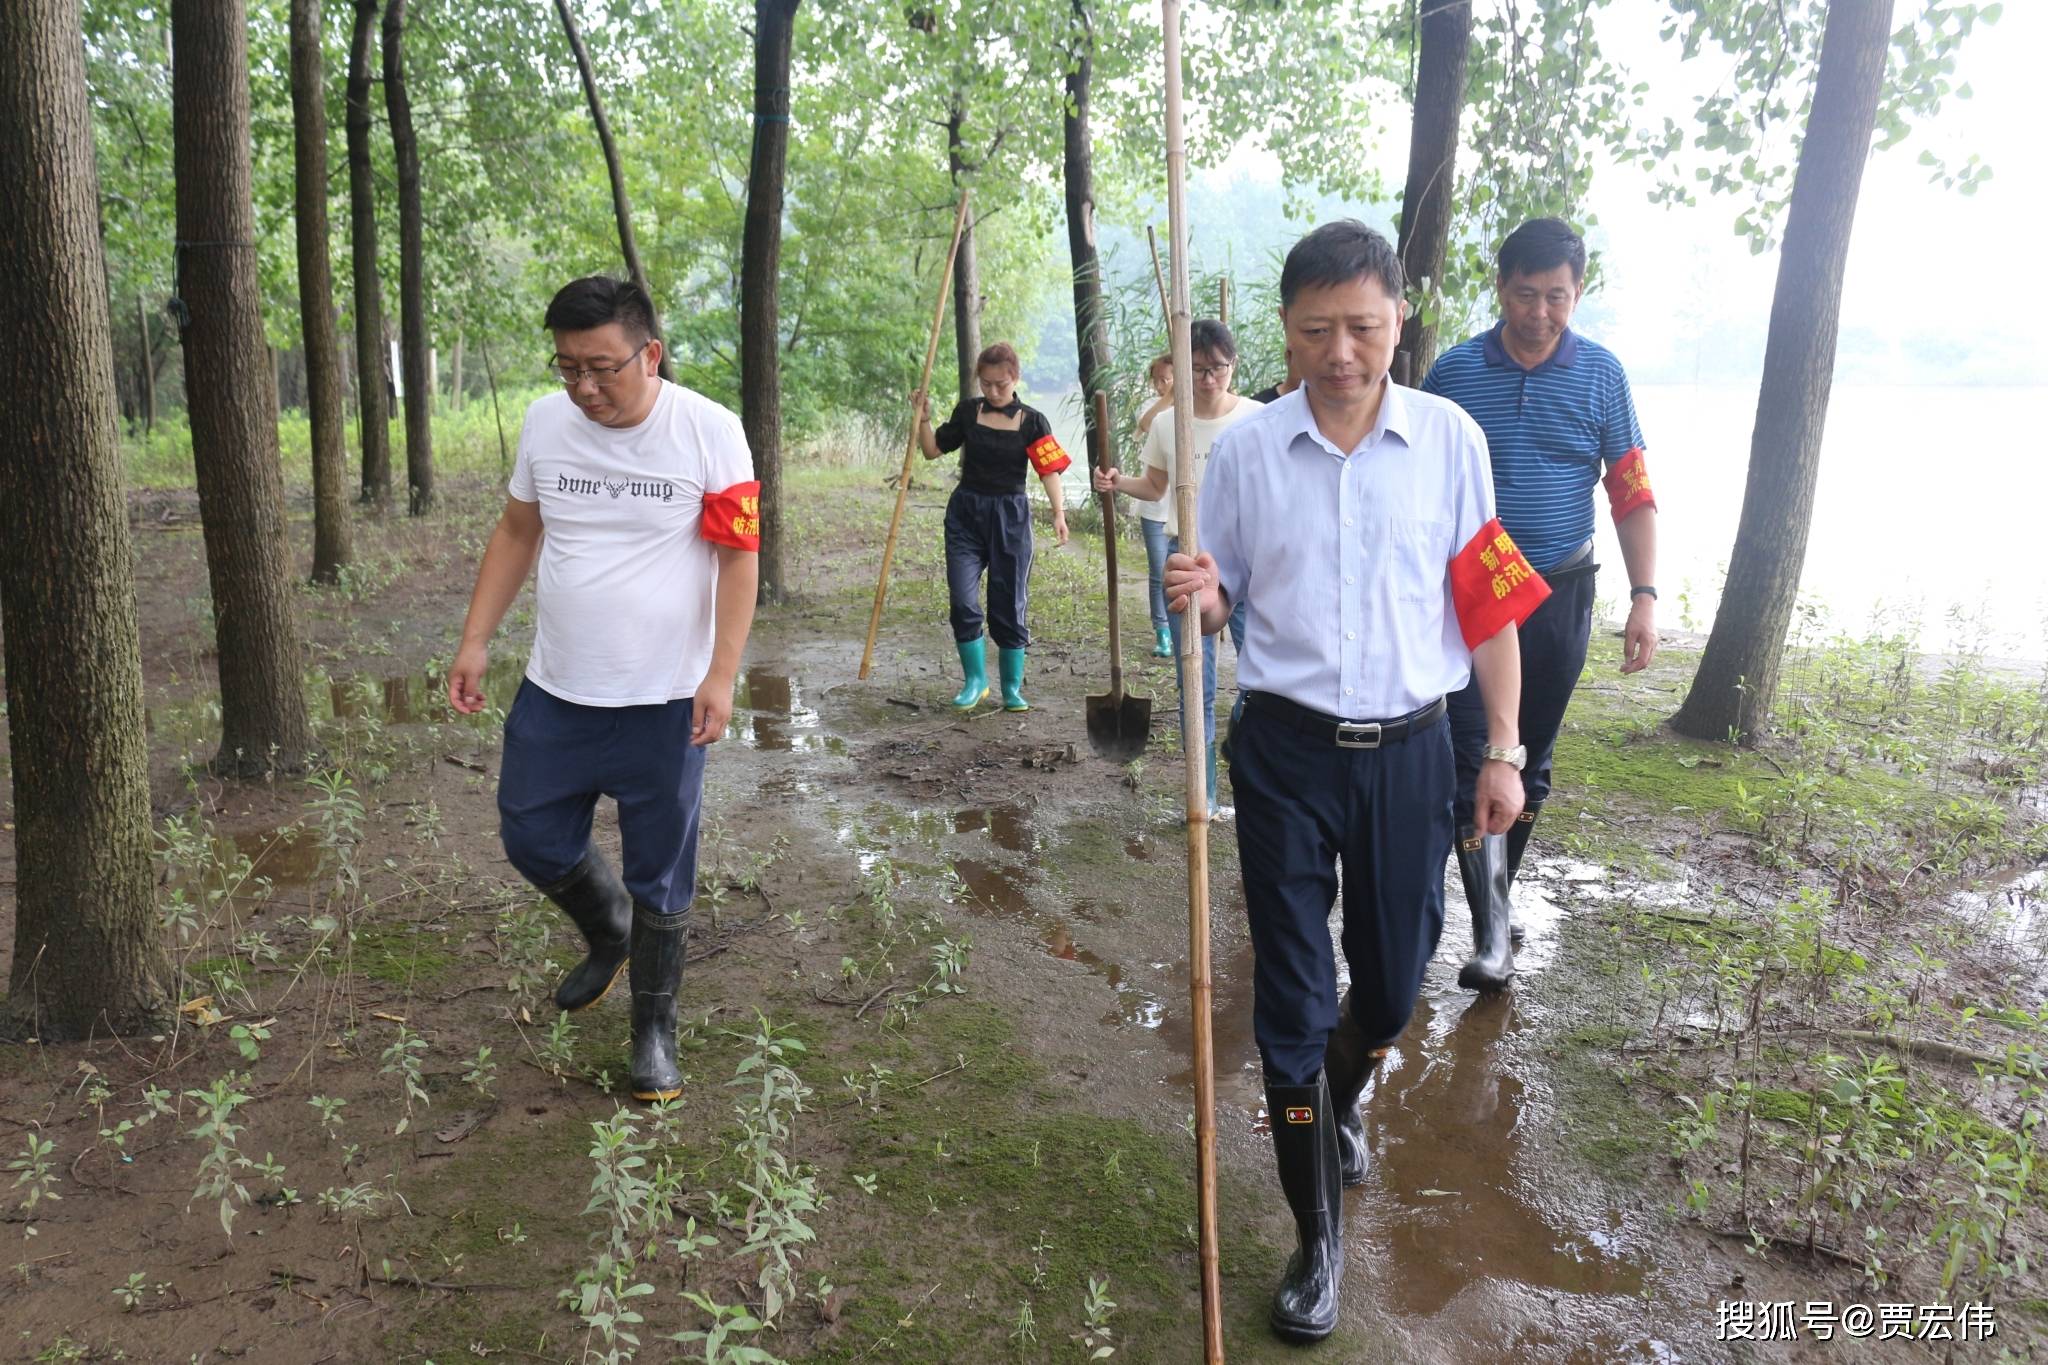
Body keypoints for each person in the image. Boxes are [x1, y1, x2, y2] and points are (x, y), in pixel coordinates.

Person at [1162, 221, 1545, 1342]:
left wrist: (1503, 749)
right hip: (1282, 751)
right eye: (1316, 330)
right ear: (1286, 333)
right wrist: (1201, 589)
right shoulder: (1241, 453)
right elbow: (1227, 597)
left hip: (1413, 749)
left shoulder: (1450, 439)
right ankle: (1315, 1238)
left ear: (1396, 326)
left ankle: (1337, 1086)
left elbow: (1488, 610)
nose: (1340, 352)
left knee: (1385, 986)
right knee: (1290, 1003)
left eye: (1362, 328)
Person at [447, 276, 758, 1104]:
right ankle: (606, 924)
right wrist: (477, 640)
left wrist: (721, 674)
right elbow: (519, 529)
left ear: (649, 353)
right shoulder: (549, 424)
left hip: (664, 698)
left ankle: (654, 1028)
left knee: (664, 871)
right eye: (566, 368)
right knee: (531, 834)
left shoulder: (710, 431)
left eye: (602, 367)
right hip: (559, 689)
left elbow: (737, 557)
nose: (583, 387)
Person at [1421, 217, 1659, 994]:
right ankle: (1492, 936)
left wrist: (1646, 596)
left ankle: (1496, 891)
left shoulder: (1603, 376)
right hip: (1472, 595)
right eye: (1526, 295)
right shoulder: (1455, 374)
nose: (1541, 312)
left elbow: (1630, 492)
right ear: (1501, 290)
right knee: (1473, 751)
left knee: (1533, 756)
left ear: (1577, 291)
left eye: (1558, 297)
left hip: (1561, 590)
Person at [1094, 320, 1258, 810]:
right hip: (1185, 559)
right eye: (1199, 369)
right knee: (1195, 683)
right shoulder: (1168, 423)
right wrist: (1117, 482)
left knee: (1263, 675)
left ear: (1234, 366)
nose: (1209, 379)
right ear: (1181, 370)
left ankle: (1250, 759)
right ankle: (1202, 795)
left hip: (1249, 565)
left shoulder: (1257, 419)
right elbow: (1156, 488)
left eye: (1218, 368)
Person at [913, 342, 1071, 712]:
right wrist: (922, 418)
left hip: (1010, 519)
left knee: (1009, 603)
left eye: (1001, 384)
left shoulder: (1033, 421)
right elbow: (933, 450)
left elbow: (1048, 471)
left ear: (1015, 378)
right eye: (986, 384)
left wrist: (1058, 512)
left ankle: (1011, 688)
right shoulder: (968, 412)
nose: (993, 391)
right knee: (963, 598)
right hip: (966, 514)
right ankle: (975, 681)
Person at [1131, 353, 1176, 659]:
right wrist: (1170, 395)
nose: (1161, 385)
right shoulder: (1152, 407)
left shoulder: (1195, 407)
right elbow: (1146, 423)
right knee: (1159, 571)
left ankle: (1182, 629)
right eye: (1157, 380)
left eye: (1167, 379)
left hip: (1182, 506)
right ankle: (1162, 632)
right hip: (1154, 506)